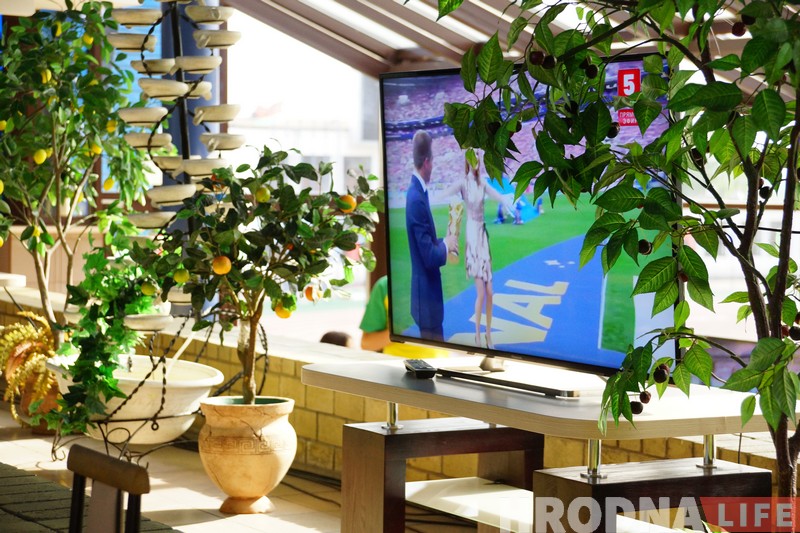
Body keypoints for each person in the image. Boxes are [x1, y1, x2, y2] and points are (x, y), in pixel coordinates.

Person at [444, 156, 511, 349]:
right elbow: (447, 195)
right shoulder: (463, 183)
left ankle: (488, 335)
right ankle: (478, 336)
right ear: (467, 162)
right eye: (472, 161)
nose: (475, 164)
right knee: (481, 293)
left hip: (482, 236)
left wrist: (507, 201)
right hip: (472, 237)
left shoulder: (483, 183)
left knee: (490, 292)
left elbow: (497, 195)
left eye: (477, 161)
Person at [405, 130, 456, 341]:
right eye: (433, 161)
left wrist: (444, 241)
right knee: (434, 353)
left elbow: (425, 242)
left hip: (426, 298)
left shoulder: (418, 192)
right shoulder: (416, 197)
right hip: (426, 301)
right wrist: (446, 245)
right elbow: (429, 256)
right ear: (426, 162)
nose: (433, 166)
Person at [359, 275, 448, 357]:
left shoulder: (445, 283)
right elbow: (366, 344)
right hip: (394, 363)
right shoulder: (385, 286)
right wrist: (399, 330)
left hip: (439, 364)